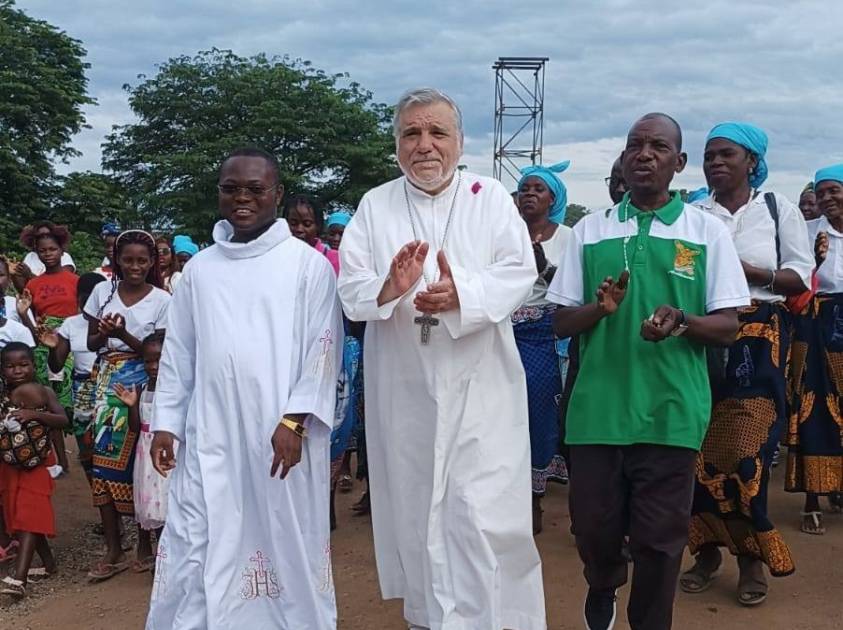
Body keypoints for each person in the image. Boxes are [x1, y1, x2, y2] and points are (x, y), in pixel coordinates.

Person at [338, 87, 545, 630]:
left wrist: (463, 294)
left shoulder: (491, 196)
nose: (424, 145)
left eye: (437, 133)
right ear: (396, 144)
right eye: (411, 133)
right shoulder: (375, 205)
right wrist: (389, 286)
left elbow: (518, 272)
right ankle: (431, 620)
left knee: (482, 513)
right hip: (405, 390)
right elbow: (351, 287)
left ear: (459, 141)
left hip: (483, 388)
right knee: (417, 507)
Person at [549, 113, 750, 630]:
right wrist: (600, 310)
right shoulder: (589, 230)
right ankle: (602, 581)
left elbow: (728, 326)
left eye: (658, 146)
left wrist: (681, 321)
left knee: (661, 541)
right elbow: (559, 322)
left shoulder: (706, 232)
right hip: (597, 409)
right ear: (622, 158)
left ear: (678, 163)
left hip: (671, 409)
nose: (644, 154)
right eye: (635, 145)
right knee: (592, 527)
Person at [146, 148, 342, 630]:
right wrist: (167, 423)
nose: (243, 198)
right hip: (209, 430)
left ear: (276, 194)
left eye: (255, 189)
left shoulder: (307, 266)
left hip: (280, 434)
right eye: (231, 188)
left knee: (282, 539)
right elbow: (180, 352)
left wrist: (295, 419)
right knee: (198, 535)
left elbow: (324, 345)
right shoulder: (200, 270)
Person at [682, 122, 811, 605]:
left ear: (751, 161)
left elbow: (800, 277)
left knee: (745, 452)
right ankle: (707, 553)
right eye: (709, 155)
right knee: (697, 449)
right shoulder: (694, 213)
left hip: (760, 339)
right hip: (704, 334)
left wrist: (751, 272)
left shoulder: (779, 210)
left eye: (726, 155)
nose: (715, 162)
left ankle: (752, 556)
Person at [84, 230, 170, 583]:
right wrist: (105, 333)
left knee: (145, 462)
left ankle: (147, 544)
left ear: (151, 263)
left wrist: (123, 336)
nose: (135, 266)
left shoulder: (163, 300)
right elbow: (90, 343)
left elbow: (160, 351)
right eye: (128, 260)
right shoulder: (102, 293)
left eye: (142, 261)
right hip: (108, 385)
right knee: (103, 466)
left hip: (147, 383)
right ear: (117, 260)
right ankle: (114, 550)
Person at [513, 160, 573, 535]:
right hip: (503, 330)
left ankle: (534, 499)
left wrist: (543, 267)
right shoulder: (505, 233)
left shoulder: (567, 237)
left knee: (539, 411)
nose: (530, 194)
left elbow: (573, 290)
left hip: (546, 331)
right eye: (524, 189)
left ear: (554, 198)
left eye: (539, 189)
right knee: (502, 410)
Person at [785, 164, 843, 534]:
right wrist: (815, 263)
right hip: (816, 323)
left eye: (833, 190)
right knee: (812, 407)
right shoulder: (807, 234)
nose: (826, 198)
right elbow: (792, 280)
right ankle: (812, 499)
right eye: (820, 193)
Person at [0, 342, 68, 601]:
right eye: (10, 366)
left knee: (30, 511)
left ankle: (19, 578)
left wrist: (33, 415)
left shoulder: (44, 391)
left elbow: (62, 420)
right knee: (20, 512)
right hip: (9, 464)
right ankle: (49, 564)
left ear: (33, 365)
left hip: (36, 462)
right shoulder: (3, 395)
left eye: (24, 364)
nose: (18, 370)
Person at [16, 223, 78, 476]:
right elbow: (32, 325)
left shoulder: (76, 280)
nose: (48, 253)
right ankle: (61, 462)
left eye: (53, 249)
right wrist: (25, 317)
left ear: (61, 250)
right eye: (43, 250)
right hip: (43, 346)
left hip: (71, 343)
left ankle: (86, 456)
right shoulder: (33, 285)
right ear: (37, 253)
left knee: (71, 403)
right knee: (50, 404)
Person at [39, 273, 107, 481]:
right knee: (86, 451)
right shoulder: (71, 324)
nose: (90, 306)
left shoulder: (112, 323)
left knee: (108, 446)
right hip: (82, 390)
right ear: (78, 298)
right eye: (85, 300)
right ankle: (99, 498)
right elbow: (57, 365)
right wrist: (52, 348)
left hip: (108, 387)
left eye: (95, 300)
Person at [114, 331, 169, 573]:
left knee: (171, 504)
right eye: (148, 361)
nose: (153, 366)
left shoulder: (174, 391)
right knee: (154, 507)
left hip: (168, 455)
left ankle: (172, 556)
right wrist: (131, 406)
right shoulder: (142, 389)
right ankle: (161, 555)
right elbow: (136, 427)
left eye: (159, 359)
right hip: (146, 457)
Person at [11, 222, 76, 292]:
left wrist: (29, 275)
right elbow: (24, 290)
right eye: (40, 236)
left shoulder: (65, 257)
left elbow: (58, 283)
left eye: (48, 235)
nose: (48, 254)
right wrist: (14, 275)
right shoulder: (30, 257)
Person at [284, 194, 340, 274]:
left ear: (318, 226)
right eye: (293, 223)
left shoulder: (335, 259)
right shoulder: (276, 255)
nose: (299, 229)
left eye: (307, 224)